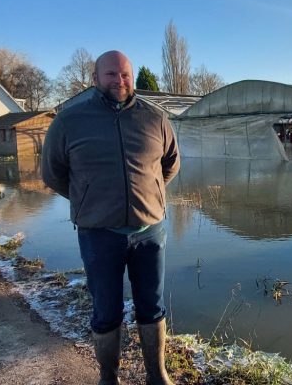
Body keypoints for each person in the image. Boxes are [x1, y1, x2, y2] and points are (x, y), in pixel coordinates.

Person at [41, 50, 180, 385]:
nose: (120, 81)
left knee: (153, 306)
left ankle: (156, 374)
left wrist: (148, 196)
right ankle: (108, 376)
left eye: (126, 74)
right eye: (111, 75)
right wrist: (91, 200)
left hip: (149, 231)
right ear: (95, 78)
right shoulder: (69, 121)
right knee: (106, 310)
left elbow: (170, 165)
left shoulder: (155, 118)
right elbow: (53, 173)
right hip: (99, 234)